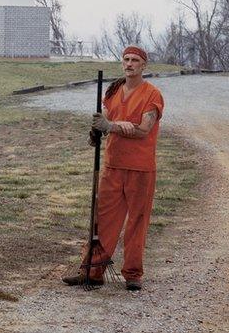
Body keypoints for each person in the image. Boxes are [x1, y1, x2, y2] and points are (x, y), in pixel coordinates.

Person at [63, 45, 164, 292]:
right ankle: (93, 271)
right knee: (103, 220)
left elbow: (143, 129)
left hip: (140, 168)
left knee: (137, 221)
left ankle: (132, 273)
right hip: (113, 165)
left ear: (143, 65)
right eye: (126, 59)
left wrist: (111, 125)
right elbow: (104, 119)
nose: (129, 64)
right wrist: (96, 131)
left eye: (135, 60)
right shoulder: (113, 91)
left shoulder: (152, 95)